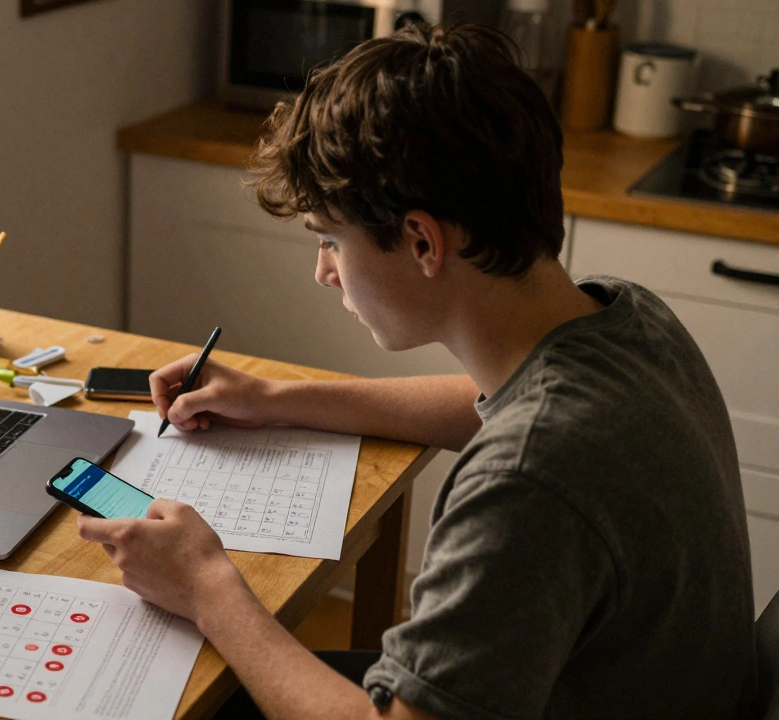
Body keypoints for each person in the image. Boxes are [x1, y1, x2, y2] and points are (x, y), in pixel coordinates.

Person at [75, 22, 758, 720]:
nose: (323, 273)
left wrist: (207, 585)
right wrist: (276, 398)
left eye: (331, 240)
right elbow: (491, 402)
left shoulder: (527, 480)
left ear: (423, 241)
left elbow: (530, 448)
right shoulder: (626, 318)